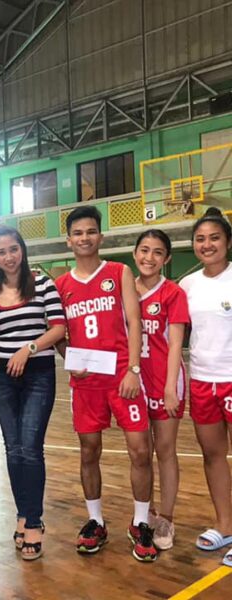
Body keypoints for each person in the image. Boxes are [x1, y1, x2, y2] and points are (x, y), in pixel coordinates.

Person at [55, 205, 157, 562]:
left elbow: (134, 321)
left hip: (122, 378)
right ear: (69, 240)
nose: (84, 238)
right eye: (77, 233)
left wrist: (133, 369)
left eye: (90, 231)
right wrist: (69, 358)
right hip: (86, 384)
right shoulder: (61, 285)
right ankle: (95, 520)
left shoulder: (118, 272)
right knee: (89, 451)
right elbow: (57, 332)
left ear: (101, 236)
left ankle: (141, 522)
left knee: (140, 450)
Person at [0, 226, 65, 560]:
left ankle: (33, 522)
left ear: (22, 250)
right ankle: (23, 514)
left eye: (13, 249)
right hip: (2, 378)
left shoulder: (42, 284)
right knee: (13, 449)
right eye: (1, 252)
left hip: (37, 375)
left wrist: (27, 349)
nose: (9, 257)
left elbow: (58, 328)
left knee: (30, 448)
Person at [179, 207, 232, 568]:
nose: (207, 244)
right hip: (201, 380)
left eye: (214, 238)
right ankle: (225, 525)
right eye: (200, 239)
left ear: (227, 242)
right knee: (213, 456)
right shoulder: (188, 285)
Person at [133, 230, 189, 551]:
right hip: (135, 383)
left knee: (165, 450)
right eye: (144, 250)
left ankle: (167, 517)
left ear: (166, 258)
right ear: (135, 254)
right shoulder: (126, 290)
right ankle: (147, 514)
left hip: (165, 382)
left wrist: (170, 387)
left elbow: (176, 344)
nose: (149, 257)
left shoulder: (173, 293)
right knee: (141, 453)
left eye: (157, 252)